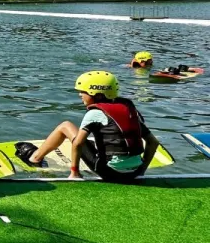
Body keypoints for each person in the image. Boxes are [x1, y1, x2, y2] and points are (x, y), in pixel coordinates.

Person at [14, 71, 160, 182]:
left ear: (95, 93)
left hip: (109, 172)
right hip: (134, 173)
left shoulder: (95, 113)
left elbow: (78, 143)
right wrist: (142, 170)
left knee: (65, 126)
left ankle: (35, 158)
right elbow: (153, 142)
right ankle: (131, 166)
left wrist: (74, 173)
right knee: (92, 141)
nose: (80, 95)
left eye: (82, 92)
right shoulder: (129, 110)